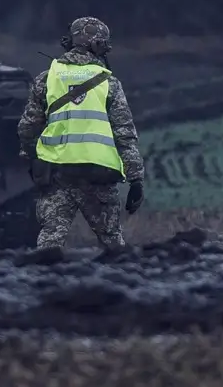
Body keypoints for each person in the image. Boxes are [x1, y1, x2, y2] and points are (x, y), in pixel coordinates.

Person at [15, 16, 145, 252]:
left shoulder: (47, 79)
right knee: (114, 246)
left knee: (49, 245)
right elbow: (124, 133)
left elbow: (27, 127)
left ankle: (41, 287)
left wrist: (31, 156)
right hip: (98, 176)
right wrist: (136, 179)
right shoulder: (110, 83)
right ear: (100, 46)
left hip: (57, 174)